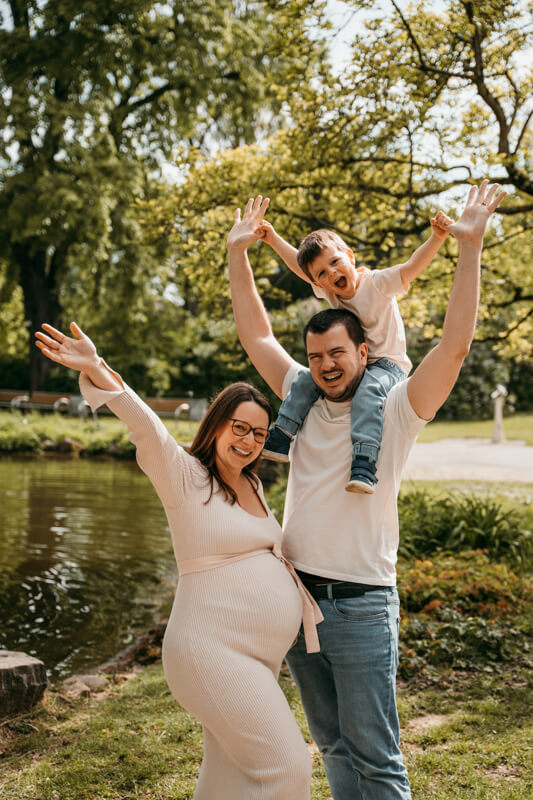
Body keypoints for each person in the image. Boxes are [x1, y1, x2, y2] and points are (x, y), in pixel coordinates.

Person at [226, 181, 506, 800]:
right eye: (316, 355)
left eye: (338, 353)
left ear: (364, 351)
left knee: (376, 758)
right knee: (331, 746)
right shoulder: (300, 401)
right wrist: (238, 253)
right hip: (298, 604)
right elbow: (256, 338)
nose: (325, 364)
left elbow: (455, 345)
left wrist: (470, 247)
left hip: (360, 606)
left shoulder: (399, 407)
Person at [34, 325, 324, 800]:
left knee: (231, 774)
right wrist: (98, 367)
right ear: (216, 425)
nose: (249, 441)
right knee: (286, 766)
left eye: (258, 431)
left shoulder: (253, 485)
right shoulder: (185, 474)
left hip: (255, 657)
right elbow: (147, 426)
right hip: (213, 651)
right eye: (239, 428)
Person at [256, 212, 452, 494]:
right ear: (318, 283)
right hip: (353, 363)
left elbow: (411, 267)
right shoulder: (329, 290)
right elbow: (301, 267)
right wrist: (273, 239)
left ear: (350, 256)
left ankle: (364, 462)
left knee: (368, 394)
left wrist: (436, 237)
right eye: (322, 273)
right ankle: (282, 435)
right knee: (306, 379)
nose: (332, 273)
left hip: (387, 364)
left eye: (335, 262)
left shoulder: (378, 283)